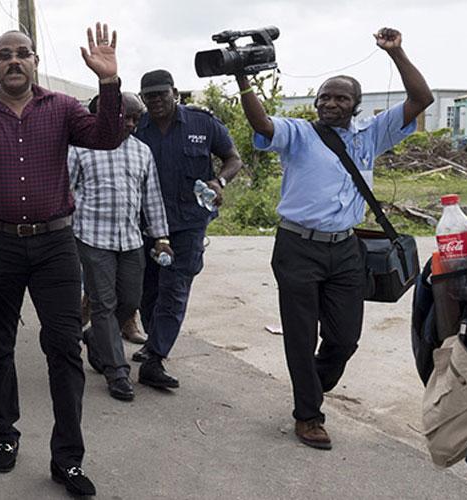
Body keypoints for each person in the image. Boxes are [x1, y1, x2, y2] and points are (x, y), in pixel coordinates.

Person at [0, 25, 123, 497]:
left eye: (22, 54)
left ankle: (68, 459)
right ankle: (4, 433)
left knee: (63, 348)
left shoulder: (60, 107)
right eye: (4, 55)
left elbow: (107, 137)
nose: (14, 61)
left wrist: (109, 83)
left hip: (55, 246)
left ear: (34, 61)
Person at [239, 27, 432, 450]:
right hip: (296, 247)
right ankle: (308, 414)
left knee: (345, 338)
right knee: (300, 334)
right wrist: (243, 80)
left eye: (340, 98)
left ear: (355, 105)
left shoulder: (372, 135)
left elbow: (422, 99)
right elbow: (262, 123)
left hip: (346, 248)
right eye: (324, 97)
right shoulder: (299, 134)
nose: (329, 103)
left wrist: (397, 53)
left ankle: (310, 385)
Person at [129, 69, 244, 389]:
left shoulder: (202, 123)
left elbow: (233, 158)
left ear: (174, 93)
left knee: (175, 288)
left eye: (161, 94)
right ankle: (154, 342)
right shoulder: (137, 127)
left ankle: (155, 357)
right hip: (147, 223)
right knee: (147, 289)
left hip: (189, 222)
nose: (155, 101)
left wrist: (219, 181)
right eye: (148, 95)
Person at [69, 92, 173, 402]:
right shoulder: (80, 149)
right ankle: (117, 372)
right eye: (125, 117)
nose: (130, 124)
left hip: (130, 239)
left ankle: (94, 337)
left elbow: (151, 197)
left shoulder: (142, 152)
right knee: (104, 303)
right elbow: (66, 192)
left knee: (130, 300)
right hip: (91, 237)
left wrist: (162, 238)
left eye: (135, 119)